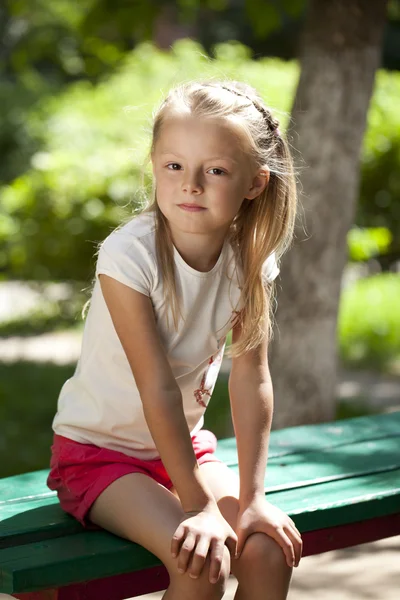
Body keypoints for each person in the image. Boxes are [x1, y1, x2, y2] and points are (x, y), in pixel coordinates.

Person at [47, 79, 302, 600]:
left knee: (265, 548)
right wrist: (197, 506)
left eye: (215, 170)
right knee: (201, 560)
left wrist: (252, 499)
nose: (191, 184)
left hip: (182, 449)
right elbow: (157, 386)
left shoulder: (248, 261)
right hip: (99, 455)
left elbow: (252, 376)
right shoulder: (129, 257)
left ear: (254, 183)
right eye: (174, 166)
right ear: (155, 166)